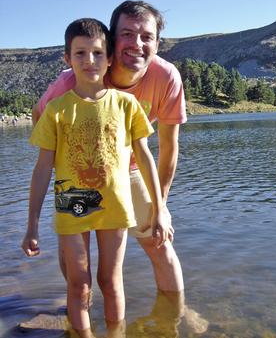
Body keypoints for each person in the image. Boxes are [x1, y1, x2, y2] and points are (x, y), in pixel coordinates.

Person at [32, 0, 208, 333]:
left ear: (157, 43)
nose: (137, 44)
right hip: (81, 175)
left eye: (146, 36)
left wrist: (161, 206)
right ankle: (75, 312)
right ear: (113, 40)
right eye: (127, 34)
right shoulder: (76, 78)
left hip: (130, 170)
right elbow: (39, 116)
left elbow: (168, 148)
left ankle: (175, 313)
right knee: (75, 261)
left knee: (159, 241)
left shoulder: (166, 76)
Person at [22, 18, 169, 338]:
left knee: (110, 280)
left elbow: (145, 158)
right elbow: (42, 168)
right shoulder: (57, 110)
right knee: (79, 281)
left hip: (115, 205)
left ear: (110, 58)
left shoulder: (126, 104)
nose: (90, 61)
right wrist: (32, 223)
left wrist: (159, 210)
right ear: (67, 59)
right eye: (80, 54)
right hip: (71, 202)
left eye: (98, 53)